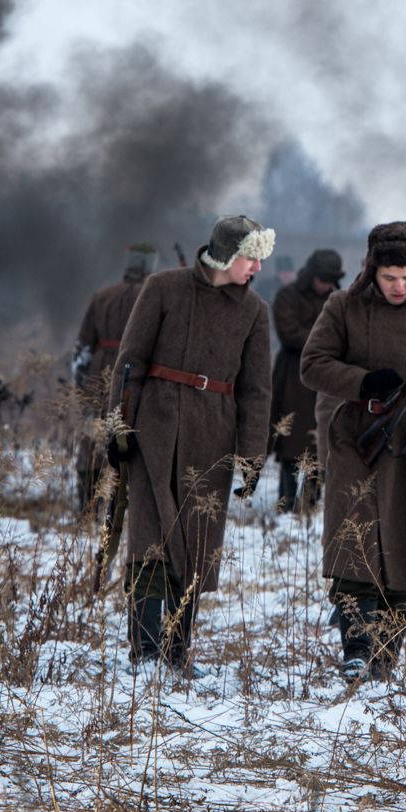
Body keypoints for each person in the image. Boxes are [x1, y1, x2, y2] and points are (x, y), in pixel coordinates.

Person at [302, 221, 406, 683]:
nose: (399, 286)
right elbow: (312, 365)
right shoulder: (343, 306)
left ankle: (386, 654)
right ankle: (355, 645)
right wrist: (361, 381)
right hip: (357, 434)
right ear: (372, 270)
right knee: (354, 543)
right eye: (389, 277)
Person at [108, 215, 274, 671]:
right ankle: (143, 651)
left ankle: (176, 651)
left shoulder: (255, 310)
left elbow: (257, 389)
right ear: (225, 255)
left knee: (197, 541)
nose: (256, 268)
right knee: (148, 536)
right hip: (153, 428)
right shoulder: (163, 287)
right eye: (249, 257)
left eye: (259, 259)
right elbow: (130, 361)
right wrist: (118, 427)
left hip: (212, 434)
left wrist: (252, 455)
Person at [71, 242, 157, 510]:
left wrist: (81, 384)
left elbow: (83, 347)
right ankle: (123, 506)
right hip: (136, 375)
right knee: (132, 437)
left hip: (99, 373)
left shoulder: (102, 296)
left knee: (92, 439)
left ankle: (88, 505)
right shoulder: (153, 296)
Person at [269, 247, 343, 514]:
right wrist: (323, 341)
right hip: (292, 377)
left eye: (329, 280)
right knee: (291, 444)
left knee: (318, 443)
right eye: (321, 279)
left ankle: (310, 502)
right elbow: (288, 332)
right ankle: (286, 503)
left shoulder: (336, 301)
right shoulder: (288, 296)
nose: (325, 285)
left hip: (324, 380)